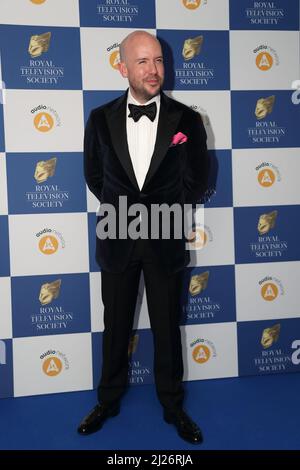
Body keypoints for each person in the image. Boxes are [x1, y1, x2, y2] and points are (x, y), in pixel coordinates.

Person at [78, 30, 212, 444]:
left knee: (168, 325)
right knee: (115, 324)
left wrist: (163, 212)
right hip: (117, 233)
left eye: (158, 60)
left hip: (167, 234)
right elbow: (95, 176)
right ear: (123, 68)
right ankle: (108, 400)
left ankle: (173, 406)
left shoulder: (186, 120)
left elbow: (198, 178)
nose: (153, 70)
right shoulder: (99, 118)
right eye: (142, 62)